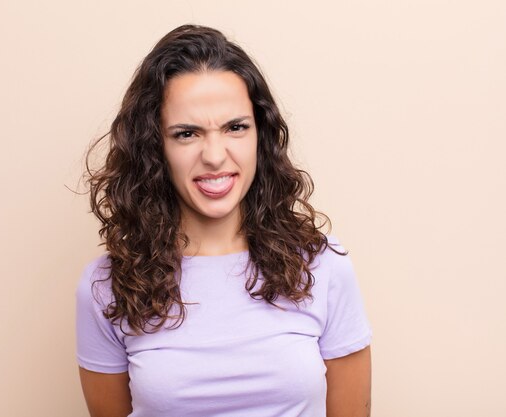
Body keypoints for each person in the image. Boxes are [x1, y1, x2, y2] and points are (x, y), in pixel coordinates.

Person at [76, 24, 372, 417]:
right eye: (186, 133)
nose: (215, 156)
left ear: (260, 136)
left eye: (235, 127)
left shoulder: (324, 266)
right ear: (155, 147)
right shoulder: (107, 286)